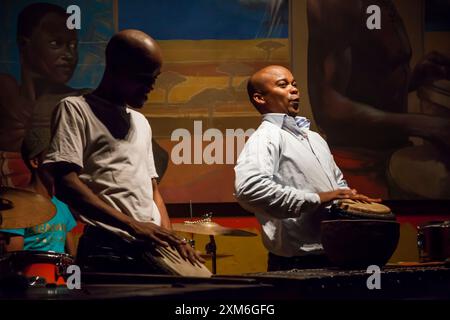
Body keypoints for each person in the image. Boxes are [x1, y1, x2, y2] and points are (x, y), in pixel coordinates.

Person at [43, 29, 203, 273]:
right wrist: (133, 225)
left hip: (150, 250)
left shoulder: (141, 122)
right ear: (116, 69)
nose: (151, 86)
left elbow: (153, 191)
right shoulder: (75, 109)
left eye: (155, 78)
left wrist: (172, 241)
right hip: (107, 249)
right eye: (143, 77)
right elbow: (66, 184)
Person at [234, 65, 379, 271]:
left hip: (335, 255)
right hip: (298, 264)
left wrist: (348, 198)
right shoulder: (266, 137)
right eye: (283, 85)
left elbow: (336, 185)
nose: (294, 89)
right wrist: (317, 198)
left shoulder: (314, 138)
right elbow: (249, 189)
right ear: (260, 98)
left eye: (294, 84)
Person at [307, 0, 450, 198]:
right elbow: (328, 106)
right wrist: (428, 126)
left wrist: (414, 79)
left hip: (392, 154)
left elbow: (364, 82)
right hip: (359, 166)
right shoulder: (337, 3)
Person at [0, 2, 87, 188]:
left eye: (73, 45)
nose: (69, 55)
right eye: (56, 43)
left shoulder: (82, 103)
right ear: (24, 44)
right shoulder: (7, 95)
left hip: (63, 213)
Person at [0, 129, 76, 256]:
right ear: (35, 162)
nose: (61, 160)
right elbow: (13, 260)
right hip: (32, 274)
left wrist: (76, 275)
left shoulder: (62, 206)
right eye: (53, 155)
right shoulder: (16, 205)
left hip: (60, 275)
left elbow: (72, 258)